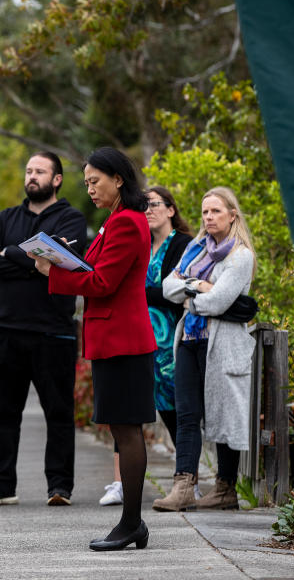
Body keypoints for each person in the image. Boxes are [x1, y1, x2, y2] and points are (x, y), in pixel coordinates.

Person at [31, 147, 156, 551]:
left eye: (94, 181)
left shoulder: (126, 223)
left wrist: (55, 272)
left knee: (128, 431)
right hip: (113, 340)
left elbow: (102, 284)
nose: (89, 190)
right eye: (85, 183)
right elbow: (94, 272)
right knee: (123, 430)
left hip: (124, 342)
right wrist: (64, 258)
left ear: (118, 178)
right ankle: (131, 523)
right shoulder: (114, 222)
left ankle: (132, 523)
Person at [0, 152, 87, 507]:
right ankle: (1, 485)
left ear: (56, 179)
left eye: (40, 171)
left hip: (53, 331)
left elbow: (63, 262)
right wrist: (33, 258)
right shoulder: (6, 217)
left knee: (58, 413)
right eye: (28, 171)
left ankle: (60, 487)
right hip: (7, 329)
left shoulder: (71, 218)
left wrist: (13, 255)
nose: (32, 176)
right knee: (5, 414)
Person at [153, 186, 256, 512]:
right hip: (189, 341)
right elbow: (167, 287)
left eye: (216, 211)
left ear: (232, 214)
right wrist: (197, 285)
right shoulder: (196, 248)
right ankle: (184, 486)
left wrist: (189, 295)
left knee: (225, 415)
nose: (209, 217)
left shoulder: (240, 255)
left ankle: (226, 489)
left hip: (222, 344)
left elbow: (219, 301)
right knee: (186, 414)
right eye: (205, 212)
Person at [99, 186, 193, 507]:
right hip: (136, 337)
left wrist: (137, 290)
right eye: (145, 205)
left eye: (155, 204)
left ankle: (186, 478)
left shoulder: (181, 244)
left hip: (167, 342)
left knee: (171, 409)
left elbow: (172, 291)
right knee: (126, 414)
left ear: (171, 209)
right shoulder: (141, 241)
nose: (148, 210)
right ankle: (120, 482)